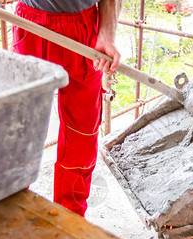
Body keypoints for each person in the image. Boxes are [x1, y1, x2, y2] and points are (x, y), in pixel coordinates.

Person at [12, 0, 121, 217]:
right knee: (23, 127)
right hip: (32, 22)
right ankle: (14, 206)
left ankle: (69, 217)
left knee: (82, 132)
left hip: (83, 27)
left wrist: (107, 34)